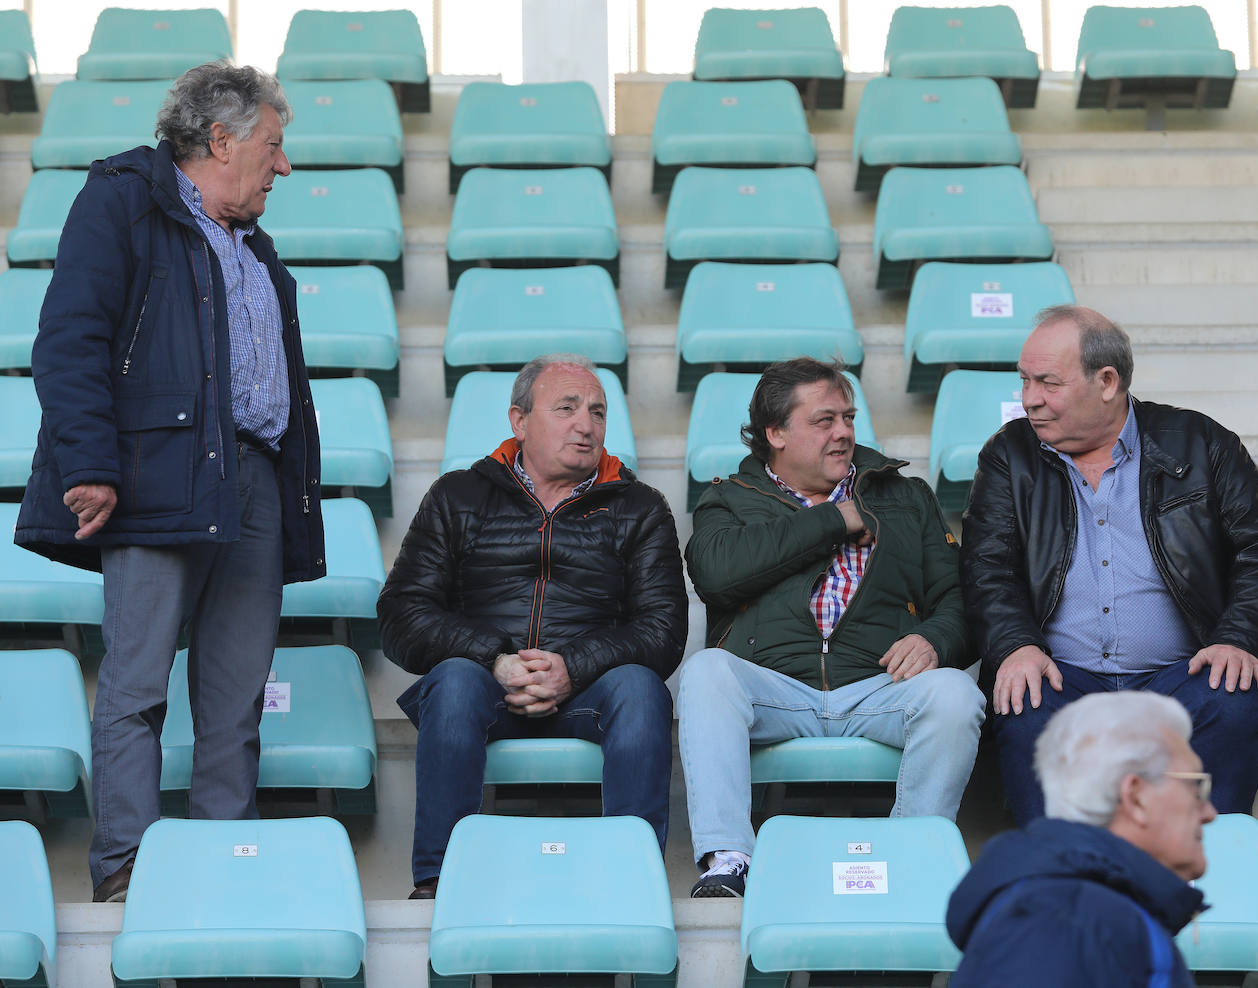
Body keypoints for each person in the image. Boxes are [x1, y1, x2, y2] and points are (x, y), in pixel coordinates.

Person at [14, 62, 324, 902]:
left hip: (254, 477)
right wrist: (89, 465)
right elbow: (70, 339)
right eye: (273, 145)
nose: (283, 166)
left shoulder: (253, 244)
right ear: (221, 141)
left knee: (236, 700)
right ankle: (128, 873)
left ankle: (224, 873)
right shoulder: (122, 201)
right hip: (156, 476)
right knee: (137, 686)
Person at [961, 305, 1258, 825]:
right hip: (1061, 679)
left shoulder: (1201, 443)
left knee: (1233, 698)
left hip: (1182, 677)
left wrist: (1238, 639)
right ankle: (1061, 873)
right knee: (1023, 704)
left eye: (1048, 383)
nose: (1030, 399)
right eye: (1025, 381)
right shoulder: (1010, 455)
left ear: (1107, 381)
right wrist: (1015, 646)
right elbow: (988, 567)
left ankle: (1204, 866)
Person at [378, 353, 688, 899]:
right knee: (452, 680)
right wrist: (496, 659)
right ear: (519, 421)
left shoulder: (640, 507)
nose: (586, 424)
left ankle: (631, 882)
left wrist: (572, 666)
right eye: (566, 407)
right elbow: (403, 612)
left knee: (643, 689)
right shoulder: (458, 495)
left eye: (597, 411)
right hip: (482, 686)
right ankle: (441, 883)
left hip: (593, 689)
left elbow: (663, 630)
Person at [678, 357, 984, 898]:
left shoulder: (904, 496)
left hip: (878, 687)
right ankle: (728, 859)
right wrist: (836, 519)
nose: (843, 432)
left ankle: (912, 853)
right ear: (775, 433)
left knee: (955, 692)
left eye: (848, 417)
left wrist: (934, 640)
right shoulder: (729, 497)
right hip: (776, 690)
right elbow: (715, 574)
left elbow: (958, 599)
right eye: (824, 421)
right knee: (705, 673)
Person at [946, 691, 1216, 987]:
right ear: (1136, 797)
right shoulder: (1066, 918)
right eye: (1196, 788)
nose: (1210, 813)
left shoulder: (1083, 911)